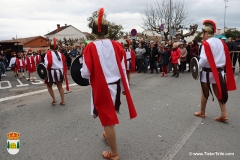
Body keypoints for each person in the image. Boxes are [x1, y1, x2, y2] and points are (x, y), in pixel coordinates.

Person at [81, 8, 137, 160]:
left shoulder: (90, 47)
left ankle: (114, 154)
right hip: (116, 86)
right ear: (107, 30)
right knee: (109, 116)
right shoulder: (117, 45)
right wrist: (126, 87)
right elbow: (123, 69)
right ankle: (108, 134)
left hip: (102, 88)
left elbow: (85, 73)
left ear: (93, 31)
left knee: (107, 120)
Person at [194, 20, 236, 122]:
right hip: (219, 71)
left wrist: (196, 66)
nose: (202, 36)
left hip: (208, 72)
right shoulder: (221, 42)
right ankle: (224, 114)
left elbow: (204, 59)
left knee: (204, 92)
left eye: (203, 33)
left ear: (206, 33)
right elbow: (225, 57)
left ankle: (202, 112)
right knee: (219, 92)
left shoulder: (206, 43)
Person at [44, 37, 69, 105]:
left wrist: (47, 70)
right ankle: (63, 101)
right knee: (60, 86)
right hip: (60, 71)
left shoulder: (48, 54)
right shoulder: (61, 54)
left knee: (49, 86)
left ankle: (54, 99)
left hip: (51, 71)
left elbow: (47, 64)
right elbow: (64, 63)